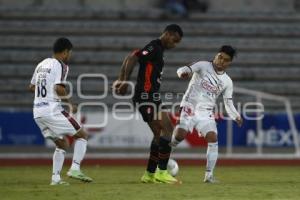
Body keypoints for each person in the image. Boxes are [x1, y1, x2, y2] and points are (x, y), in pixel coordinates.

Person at [113, 24, 183, 184]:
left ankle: (150, 174)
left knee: (159, 134)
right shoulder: (155, 46)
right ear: (168, 34)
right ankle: (162, 172)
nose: (175, 44)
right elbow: (133, 57)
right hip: (146, 97)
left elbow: (130, 56)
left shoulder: (158, 50)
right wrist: (123, 80)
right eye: (175, 40)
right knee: (168, 129)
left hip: (151, 97)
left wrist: (120, 78)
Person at [171, 45, 243, 183]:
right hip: (189, 106)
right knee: (180, 135)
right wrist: (182, 73)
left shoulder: (227, 81)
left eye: (225, 60)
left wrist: (235, 116)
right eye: (220, 57)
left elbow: (228, 102)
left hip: (206, 112)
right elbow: (184, 69)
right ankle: (162, 156)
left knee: (213, 138)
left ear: (229, 63)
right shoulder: (203, 65)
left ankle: (209, 176)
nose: (221, 61)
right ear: (216, 55)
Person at [29, 37, 92, 185]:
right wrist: (70, 103)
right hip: (52, 110)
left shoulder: (41, 64)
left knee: (62, 144)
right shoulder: (61, 65)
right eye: (70, 53)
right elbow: (59, 88)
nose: (69, 56)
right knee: (82, 135)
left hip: (37, 112)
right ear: (65, 52)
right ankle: (75, 168)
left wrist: (44, 91)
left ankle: (56, 179)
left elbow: (31, 87)